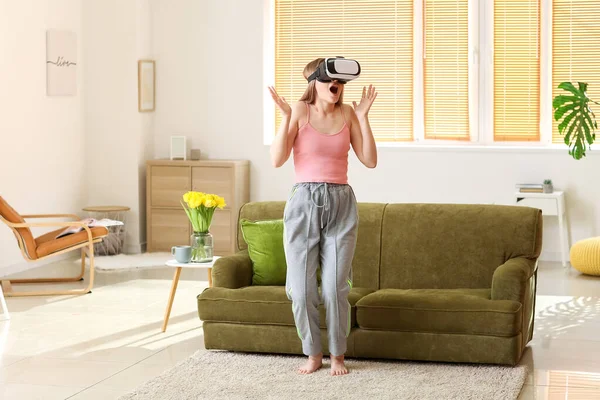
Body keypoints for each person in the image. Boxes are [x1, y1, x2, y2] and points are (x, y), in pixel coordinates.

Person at [268, 57, 377, 376]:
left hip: (341, 202)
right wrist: (286, 117)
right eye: (332, 81)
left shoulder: (347, 114)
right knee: (301, 291)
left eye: (342, 83)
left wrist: (363, 117)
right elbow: (277, 159)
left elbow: (369, 160)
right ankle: (313, 352)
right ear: (315, 82)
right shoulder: (300, 112)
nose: (338, 87)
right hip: (303, 202)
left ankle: (338, 355)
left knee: (333, 288)